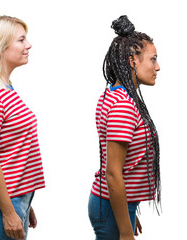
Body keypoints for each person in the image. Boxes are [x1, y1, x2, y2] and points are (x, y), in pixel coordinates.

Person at [0, 15, 45, 240]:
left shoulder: (5, 89)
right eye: (21, 40)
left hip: (15, 200)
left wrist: (24, 201)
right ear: (0, 48)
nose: (28, 45)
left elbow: (11, 151)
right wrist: (9, 211)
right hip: (1, 207)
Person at [88, 15, 161, 240]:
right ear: (133, 61)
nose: (158, 67)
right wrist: (125, 231)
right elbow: (113, 173)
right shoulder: (123, 106)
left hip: (114, 204)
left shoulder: (115, 94)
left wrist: (128, 213)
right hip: (110, 205)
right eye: (153, 59)